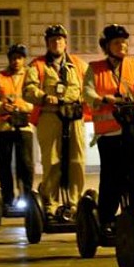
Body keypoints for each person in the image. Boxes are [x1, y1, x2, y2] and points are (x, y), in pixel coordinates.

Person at [24, 24, 87, 219]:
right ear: (47, 44)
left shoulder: (79, 64)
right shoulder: (37, 65)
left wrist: (76, 98)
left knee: (77, 161)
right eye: (52, 40)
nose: (56, 43)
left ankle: (74, 204)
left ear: (66, 42)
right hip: (50, 117)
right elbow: (28, 90)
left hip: (74, 117)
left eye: (60, 39)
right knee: (52, 162)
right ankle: (51, 204)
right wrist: (43, 97)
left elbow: (90, 88)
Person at [84, 24, 134, 237]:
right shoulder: (95, 68)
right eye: (117, 43)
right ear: (107, 46)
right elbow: (87, 91)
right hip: (108, 134)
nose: (122, 46)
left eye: (124, 42)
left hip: (131, 130)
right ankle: (107, 219)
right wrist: (100, 99)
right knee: (110, 178)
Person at [0, 43, 34, 212]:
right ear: (9, 59)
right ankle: (8, 200)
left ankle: (27, 198)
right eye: (13, 58)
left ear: (23, 60)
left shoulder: (30, 75)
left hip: (24, 126)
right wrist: (1, 106)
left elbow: (35, 99)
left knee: (26, 164)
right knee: (4, 165)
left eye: (19, 58)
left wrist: (24, 107)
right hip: (3, 127)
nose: (16, 61)